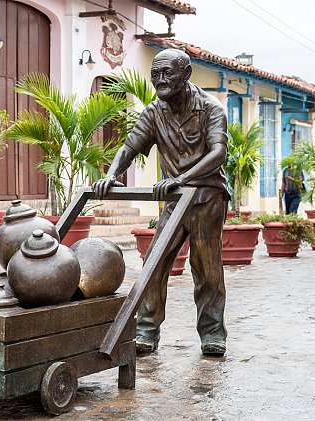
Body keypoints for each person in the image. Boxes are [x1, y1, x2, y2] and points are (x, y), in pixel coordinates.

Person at [93, 48, 229, 356]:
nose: (160, 80)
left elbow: (218, 153)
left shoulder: (210, 108)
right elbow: (129, 147)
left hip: (207, 199)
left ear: (186, 74)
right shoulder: (154, 112)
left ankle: (212, 334)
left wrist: (182, 179)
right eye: (155, 75)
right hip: (173, 202)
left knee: (206, 267)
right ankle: (145, 332)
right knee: (153, 263)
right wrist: (111, 176)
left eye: (167, 74)